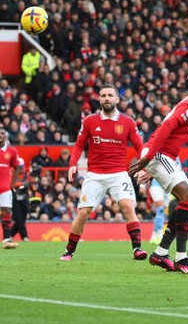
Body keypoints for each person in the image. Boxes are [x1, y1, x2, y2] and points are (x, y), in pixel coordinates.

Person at [129, 69, 188, 275]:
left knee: (186, 200)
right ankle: (182, 259)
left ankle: (161, 252)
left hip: (164, 155)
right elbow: (168, 125)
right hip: (160, 154)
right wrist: (149, 159)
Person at [60, 83, 146, 261]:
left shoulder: (128, 122)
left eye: (110, 95)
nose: (106, 98)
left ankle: (137, 249)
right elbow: (78, 145)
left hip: (118, 174)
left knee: (128, 206)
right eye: (103, 95)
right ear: (99, 99)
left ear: (117, 99)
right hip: (95, 175)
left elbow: (139, 146)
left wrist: (143, 167)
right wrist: (73, 164)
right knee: (83, 212)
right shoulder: (89, 121)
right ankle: (69, 251)